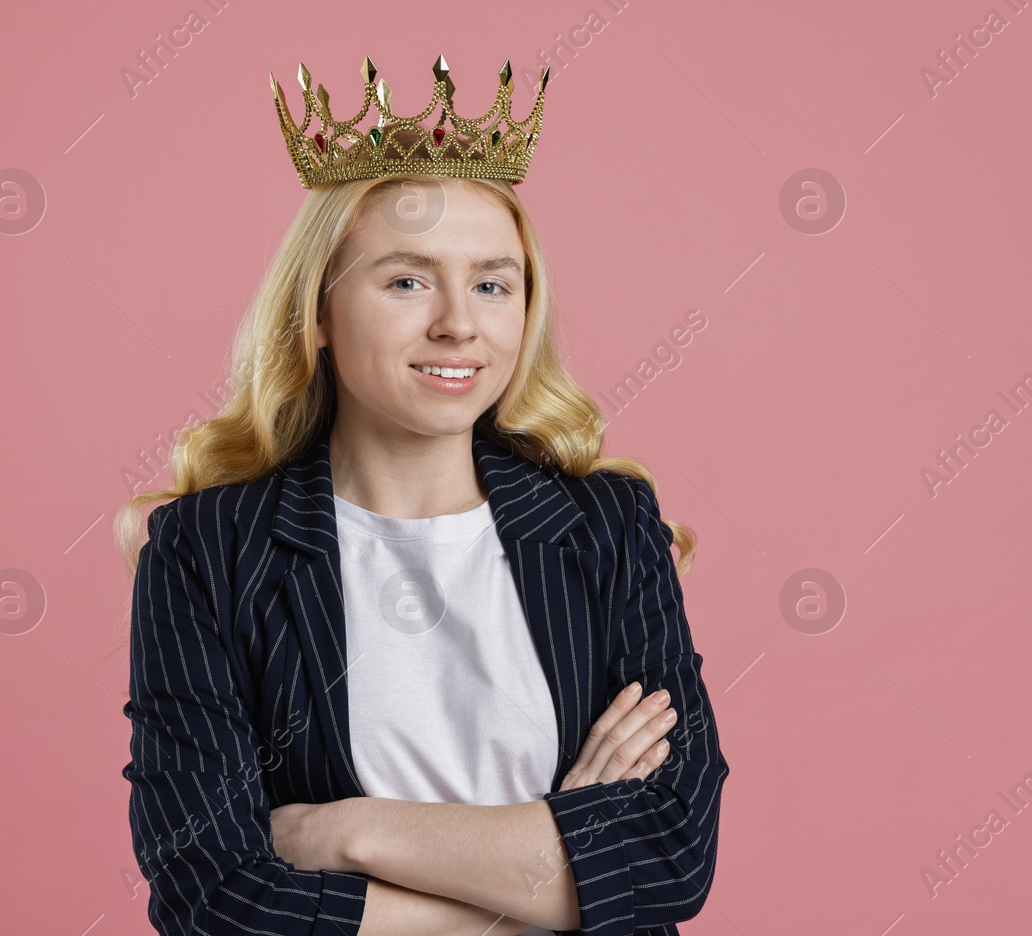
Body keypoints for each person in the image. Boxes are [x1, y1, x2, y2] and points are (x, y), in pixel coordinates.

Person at [115, 55, 729, 935]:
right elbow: (215, 898)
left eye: (492, 282)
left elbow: (670, 852)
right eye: (406, 279)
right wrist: (544, 878)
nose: (458, 322)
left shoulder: (606, 527)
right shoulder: (208, 551)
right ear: (317, 313)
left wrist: (351, 830)